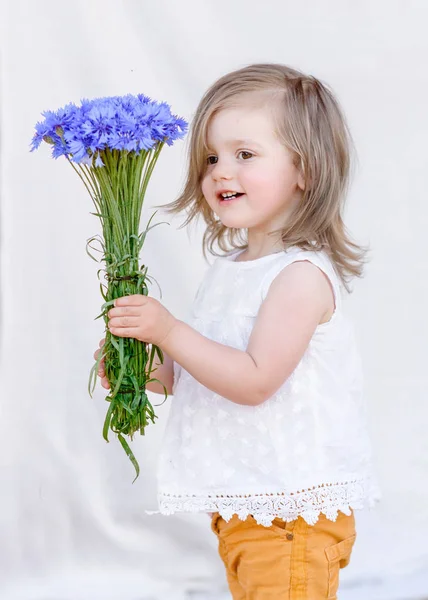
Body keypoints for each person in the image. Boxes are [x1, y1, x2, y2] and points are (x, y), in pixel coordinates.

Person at [94, 63, 379, 599]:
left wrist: (170, 329)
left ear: (306, 170)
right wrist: (146, 371)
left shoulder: (299, 277)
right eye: (211, 157)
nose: (221, 171)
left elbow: (253, 381)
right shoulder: (231, 270)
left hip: (291, 517)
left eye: (244, 155)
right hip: (247, 510)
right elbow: (209, 374)